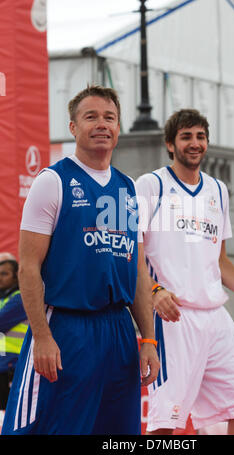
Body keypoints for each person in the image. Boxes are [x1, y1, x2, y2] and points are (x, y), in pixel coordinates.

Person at [1, 85, 160, 435]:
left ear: (118, 128)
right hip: (66, 326)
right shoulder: (52, 181)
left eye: (110, 117)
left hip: (119, 330)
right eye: (91, 117)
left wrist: (148, 339)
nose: (102, 124)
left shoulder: (128, 188)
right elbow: (28, 269)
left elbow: (135, 271)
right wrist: (41, 336)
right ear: (73, 127)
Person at [136, 108, 234, 435]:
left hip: (216, 317)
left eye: (200, 136)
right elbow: (131, 252)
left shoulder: (217, 190)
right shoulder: (151, 185)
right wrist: (153, 291)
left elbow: (219, 260)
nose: (195, 143)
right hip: (173, 317)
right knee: (165, 425)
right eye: (186, 136)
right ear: (170, 145)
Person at [0, 258, 28, 410]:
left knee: (8, 412)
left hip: (12, 364)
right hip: (3, 363)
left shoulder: (20, 297)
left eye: (4, 274)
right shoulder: (3, 298)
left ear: (16, 276)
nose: (0, 277)